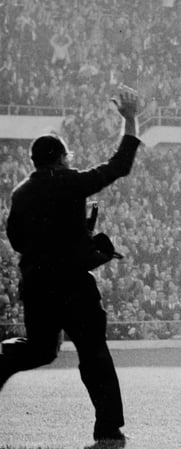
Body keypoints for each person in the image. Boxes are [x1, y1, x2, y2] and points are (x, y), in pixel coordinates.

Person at [0, 86, 141, 445]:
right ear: (61, 158)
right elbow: (119, 166)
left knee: (41, 350)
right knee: (93, 353)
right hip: (73, 285)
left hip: (36, 284)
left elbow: (17, 241)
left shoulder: (20, 193)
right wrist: (130, 119)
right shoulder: (72, 181)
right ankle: (108, 427)